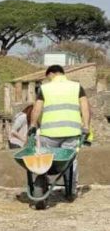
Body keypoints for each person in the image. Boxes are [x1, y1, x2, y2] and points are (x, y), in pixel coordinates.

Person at [29, 65, 91, 195]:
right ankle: (71, 191)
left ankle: (42, 181)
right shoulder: (76, 87)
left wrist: (33, 125)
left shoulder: (45, 88)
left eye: (48, 78)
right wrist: (86, 126)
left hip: (49, 133)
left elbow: (36, 109)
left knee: (45, 159)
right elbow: (85, 107)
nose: (48, 80)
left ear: (51, 74)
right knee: (70, 162)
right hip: (72, 132)